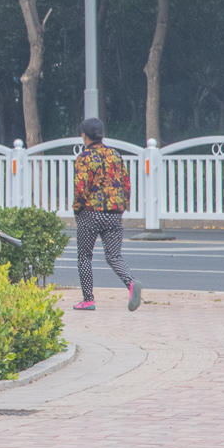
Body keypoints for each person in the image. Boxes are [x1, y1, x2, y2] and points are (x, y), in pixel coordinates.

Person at [72, 117, 142, 311]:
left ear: (84, 136)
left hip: (90, 213)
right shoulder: (115, 155)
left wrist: (77, 210)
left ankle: (88, 300)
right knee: (114, 256)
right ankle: (130, 282)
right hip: (114, 213)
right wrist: (122, 206)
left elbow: (80, 188)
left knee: (84, 256)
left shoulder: (84, 157)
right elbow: (126, 183)